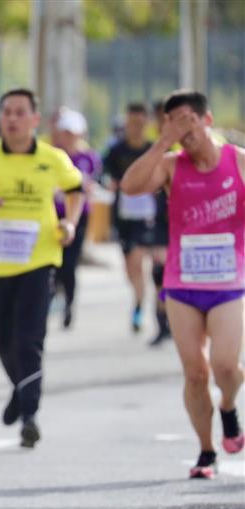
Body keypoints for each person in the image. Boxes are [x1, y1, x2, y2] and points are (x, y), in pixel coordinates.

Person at [121, 90, 245, 478]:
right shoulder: (172, 166)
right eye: (171, 121)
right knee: (195, 372)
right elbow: (130, 186)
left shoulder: (237, 161)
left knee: (225, 366)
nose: (181, 128)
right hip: (182, 284)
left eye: (188, 119)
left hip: (228, 282)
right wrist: (162, 142)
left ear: (207, 120)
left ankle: (228, 404)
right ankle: (206, 451)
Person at [0, 88, 84, 448]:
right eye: (6, 112)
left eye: (20, 112)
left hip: (39, 261)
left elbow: (77, 189)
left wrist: (69, 223)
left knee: (30, 341)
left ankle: (30, 414)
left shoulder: (53, 158)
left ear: (34, 120)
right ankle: (19, 388)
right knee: (3, 339)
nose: (12, 118)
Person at [104, 102, 171, 342]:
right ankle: (139, 302)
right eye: (132, 123)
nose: (136, 128)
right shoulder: (116, 151)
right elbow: (105, 177)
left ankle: (163, 318)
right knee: (134, 269)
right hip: (127, 220)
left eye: (141, 123)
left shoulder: (155, 149)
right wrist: (110, 184)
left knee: (161, 268)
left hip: (154, 219)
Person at [51, 107, 101, 329]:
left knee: (70, 263)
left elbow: (93, 183)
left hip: (79, 216)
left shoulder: (88, 157)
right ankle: (53, 297)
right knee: (54, 262)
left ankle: (69, 304)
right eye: (65, 132)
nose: (69, 137)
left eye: (73, 133)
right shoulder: (52, 155)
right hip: (53, 216)